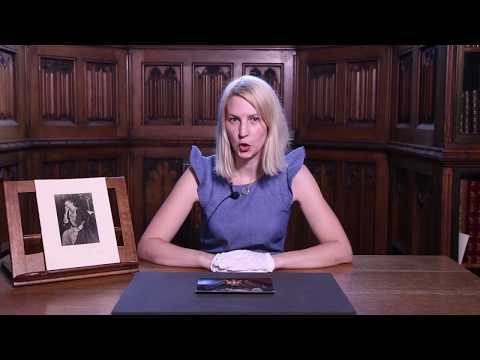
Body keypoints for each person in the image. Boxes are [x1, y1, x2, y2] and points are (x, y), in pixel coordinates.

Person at [137, 75, 353, 272]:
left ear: (270, 125)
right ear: (224, 125)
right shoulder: (201, 173)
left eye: (254, 119)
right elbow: (148, 245)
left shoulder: (294, 174)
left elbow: (341, 249)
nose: (243, 132)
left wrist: (270, 262)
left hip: (272, 285)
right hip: (213, 285)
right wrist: (209, 261)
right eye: (234, 120)